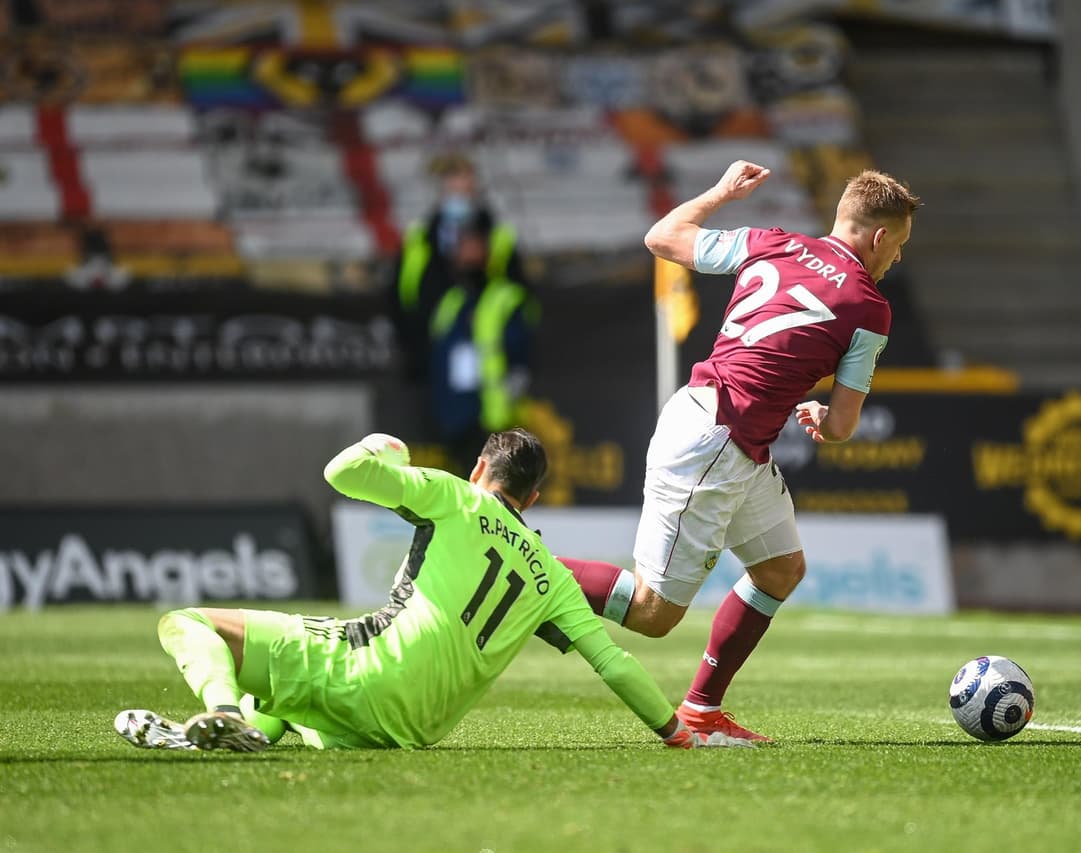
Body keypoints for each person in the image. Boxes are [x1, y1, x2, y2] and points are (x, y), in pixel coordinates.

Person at [562, 161, 919, 742]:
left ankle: (702, 711)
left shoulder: (770, 242)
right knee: (653, 613)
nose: (897, 258)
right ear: (879, 238)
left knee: (780, 568)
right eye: (898, 245)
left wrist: (722, 193)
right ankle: (519, 571)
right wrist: (822, 418)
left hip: (722, 430)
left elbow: (661, 238)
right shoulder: (869, 309)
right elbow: (843, 427)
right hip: (717, 440)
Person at [114, 429, 752, 752]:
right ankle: (229, 737)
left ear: (480, 470)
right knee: (289, 692)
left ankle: (223, 713)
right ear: (532, 500)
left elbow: (343, 472)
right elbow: (615, 663)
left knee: (190, 623)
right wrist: (676, 734)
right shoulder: (550, 575)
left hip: (365, 671)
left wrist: (384, 446)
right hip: (410, 726)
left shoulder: (455, 495)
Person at [390, 154, 525, 383]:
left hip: (491, 351)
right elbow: (402, 297)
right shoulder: (418, 239)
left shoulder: (499, 237)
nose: (459, 198)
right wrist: (416, 345)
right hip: (434, 351)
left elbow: (517, 295)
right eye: (453, 190)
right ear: (441, 192)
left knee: (504, 417)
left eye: (466, 190)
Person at [429, 217, 538, 474]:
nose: (467, 255)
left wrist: (512, 396)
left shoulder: (507, 297)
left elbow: (521, 354)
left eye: (474, 247)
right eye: (462, 248)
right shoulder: (452, 301)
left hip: (493, 417)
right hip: (455, 414)